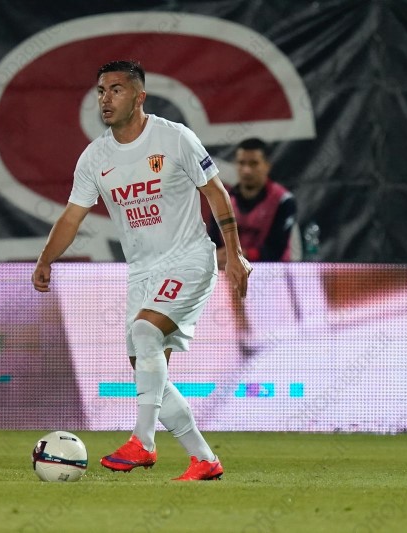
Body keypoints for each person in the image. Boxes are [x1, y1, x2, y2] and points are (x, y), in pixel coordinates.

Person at [31, 60, 252, 481]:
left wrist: (235, 254)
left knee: (146, 331)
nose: (106, 98)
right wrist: (46, 259)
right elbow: (72, 216)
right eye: (101, 90)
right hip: (142, 272)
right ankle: (204, 459)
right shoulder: (95, 157)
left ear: (139, 96)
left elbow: (216, 192)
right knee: (149, 371)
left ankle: (143, 442)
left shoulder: (174, 138)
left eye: (116, 89)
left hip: (189, 259)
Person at [208, 137, 297, 265]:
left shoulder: (283, 201)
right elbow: (213, 243)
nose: (246, 170)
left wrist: (243, 255)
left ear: (267, 166)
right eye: (241, 163)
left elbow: (275, 251)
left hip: (271, 273)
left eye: (253, 163)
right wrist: (216, 255)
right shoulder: (222, 200)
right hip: (230, 272)